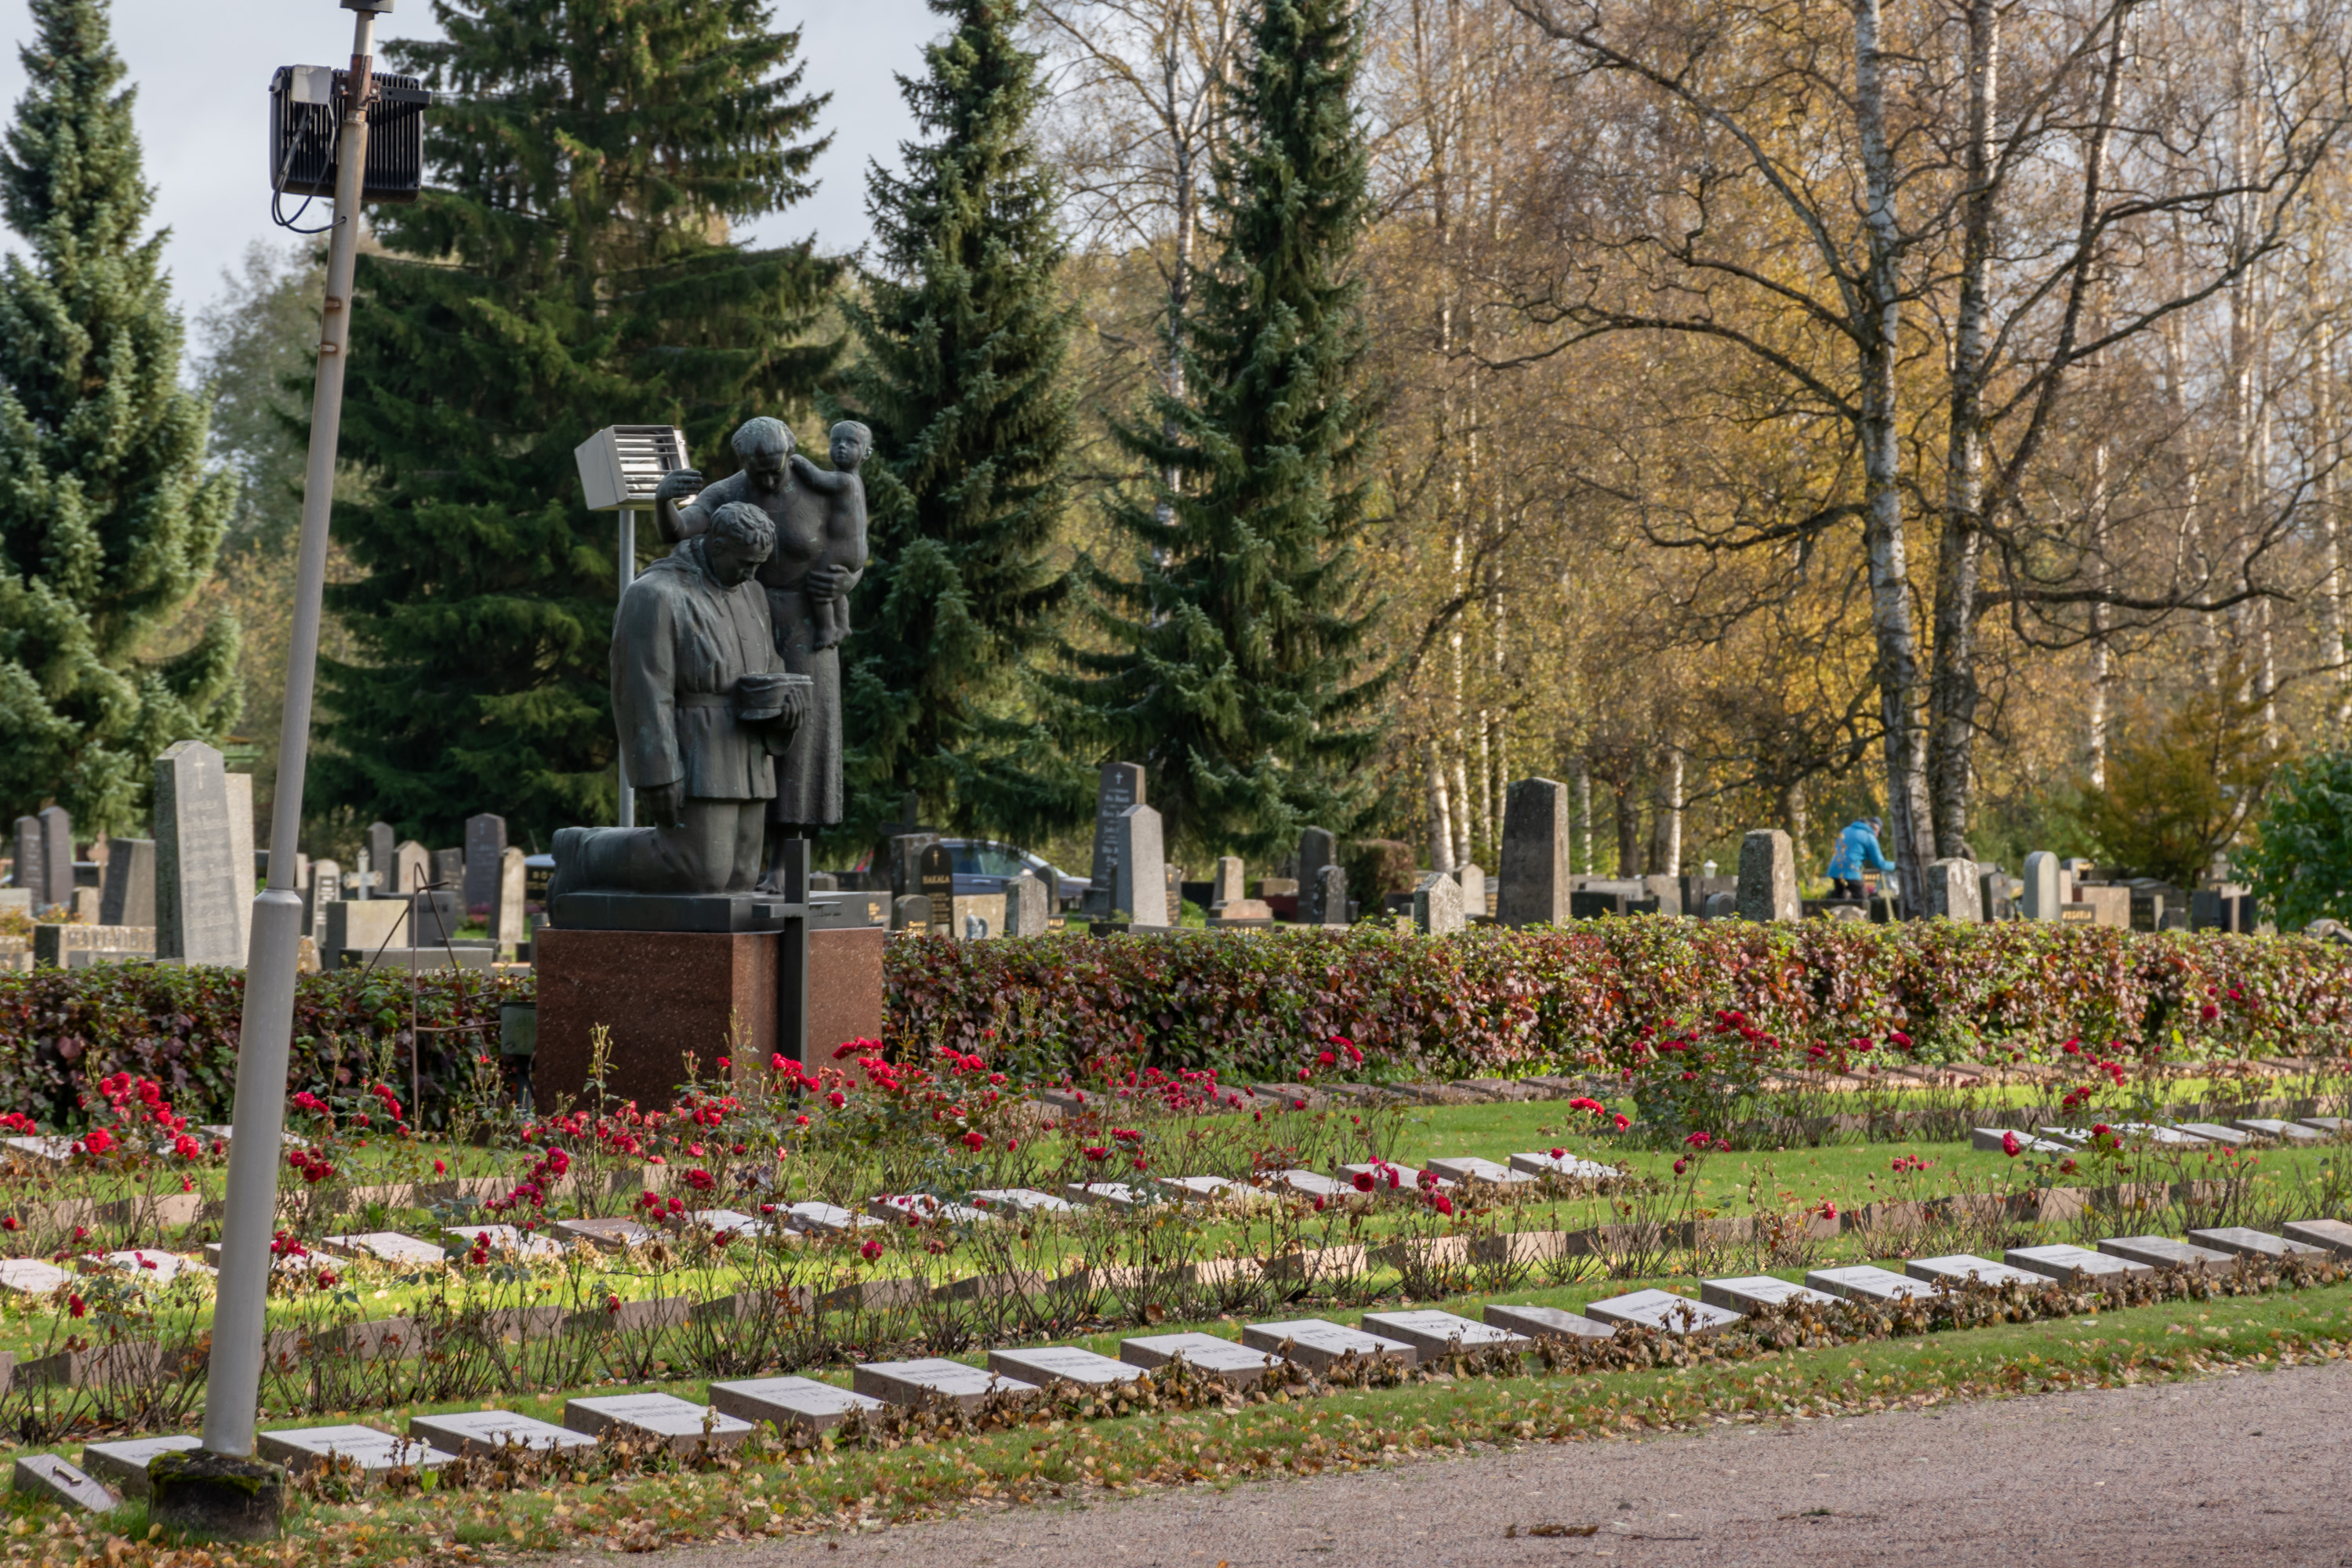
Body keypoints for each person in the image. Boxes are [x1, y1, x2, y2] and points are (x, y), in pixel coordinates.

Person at [549, 503, 804, 898]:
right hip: (694, 752)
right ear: (716, 545)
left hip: (749, 755)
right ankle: (582, 853)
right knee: (698, 873)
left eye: (758, 565)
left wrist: (782, 708)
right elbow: (642, 692)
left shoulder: (751, 594)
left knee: (738, 878)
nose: (751, 575)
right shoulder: (655, 594)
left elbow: (771, 663)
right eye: (744, 563)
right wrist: (657, 773)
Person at [654, 417, 864, 892]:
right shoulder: (729, 492)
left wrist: (847, 581)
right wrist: (662, 501)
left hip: (809, 624)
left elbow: (851, 550)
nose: (768, 479)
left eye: (776, 468)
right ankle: (742, 855)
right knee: (748, 733)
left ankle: (788, 861)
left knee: (803, 737)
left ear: (790, 452)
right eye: (759, 471)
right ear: (743, 462)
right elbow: (680, 529)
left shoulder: (820, 485)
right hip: (747, 619)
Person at [789, 421, 871, 652]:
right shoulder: (856, 482)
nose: (841, 447)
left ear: (866, 453)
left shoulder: (844, 481)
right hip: (856, 551)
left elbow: (816, 478)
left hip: (840, 548)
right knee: (836, 590)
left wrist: (797, 459)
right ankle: (843, 625)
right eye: (836, 442)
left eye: (851, 443)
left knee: (819, 587)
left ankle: (826, 628)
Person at [1826, 817, 1894, 900]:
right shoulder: (1869, 836)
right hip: (1851, 872)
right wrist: (1897, 865)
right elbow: (1880, 864)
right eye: (1878, 834)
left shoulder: (1845, 830)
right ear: (1876, 829)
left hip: (1835, 870)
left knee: (1840, 901)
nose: (1877, 837)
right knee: (1863, 902)